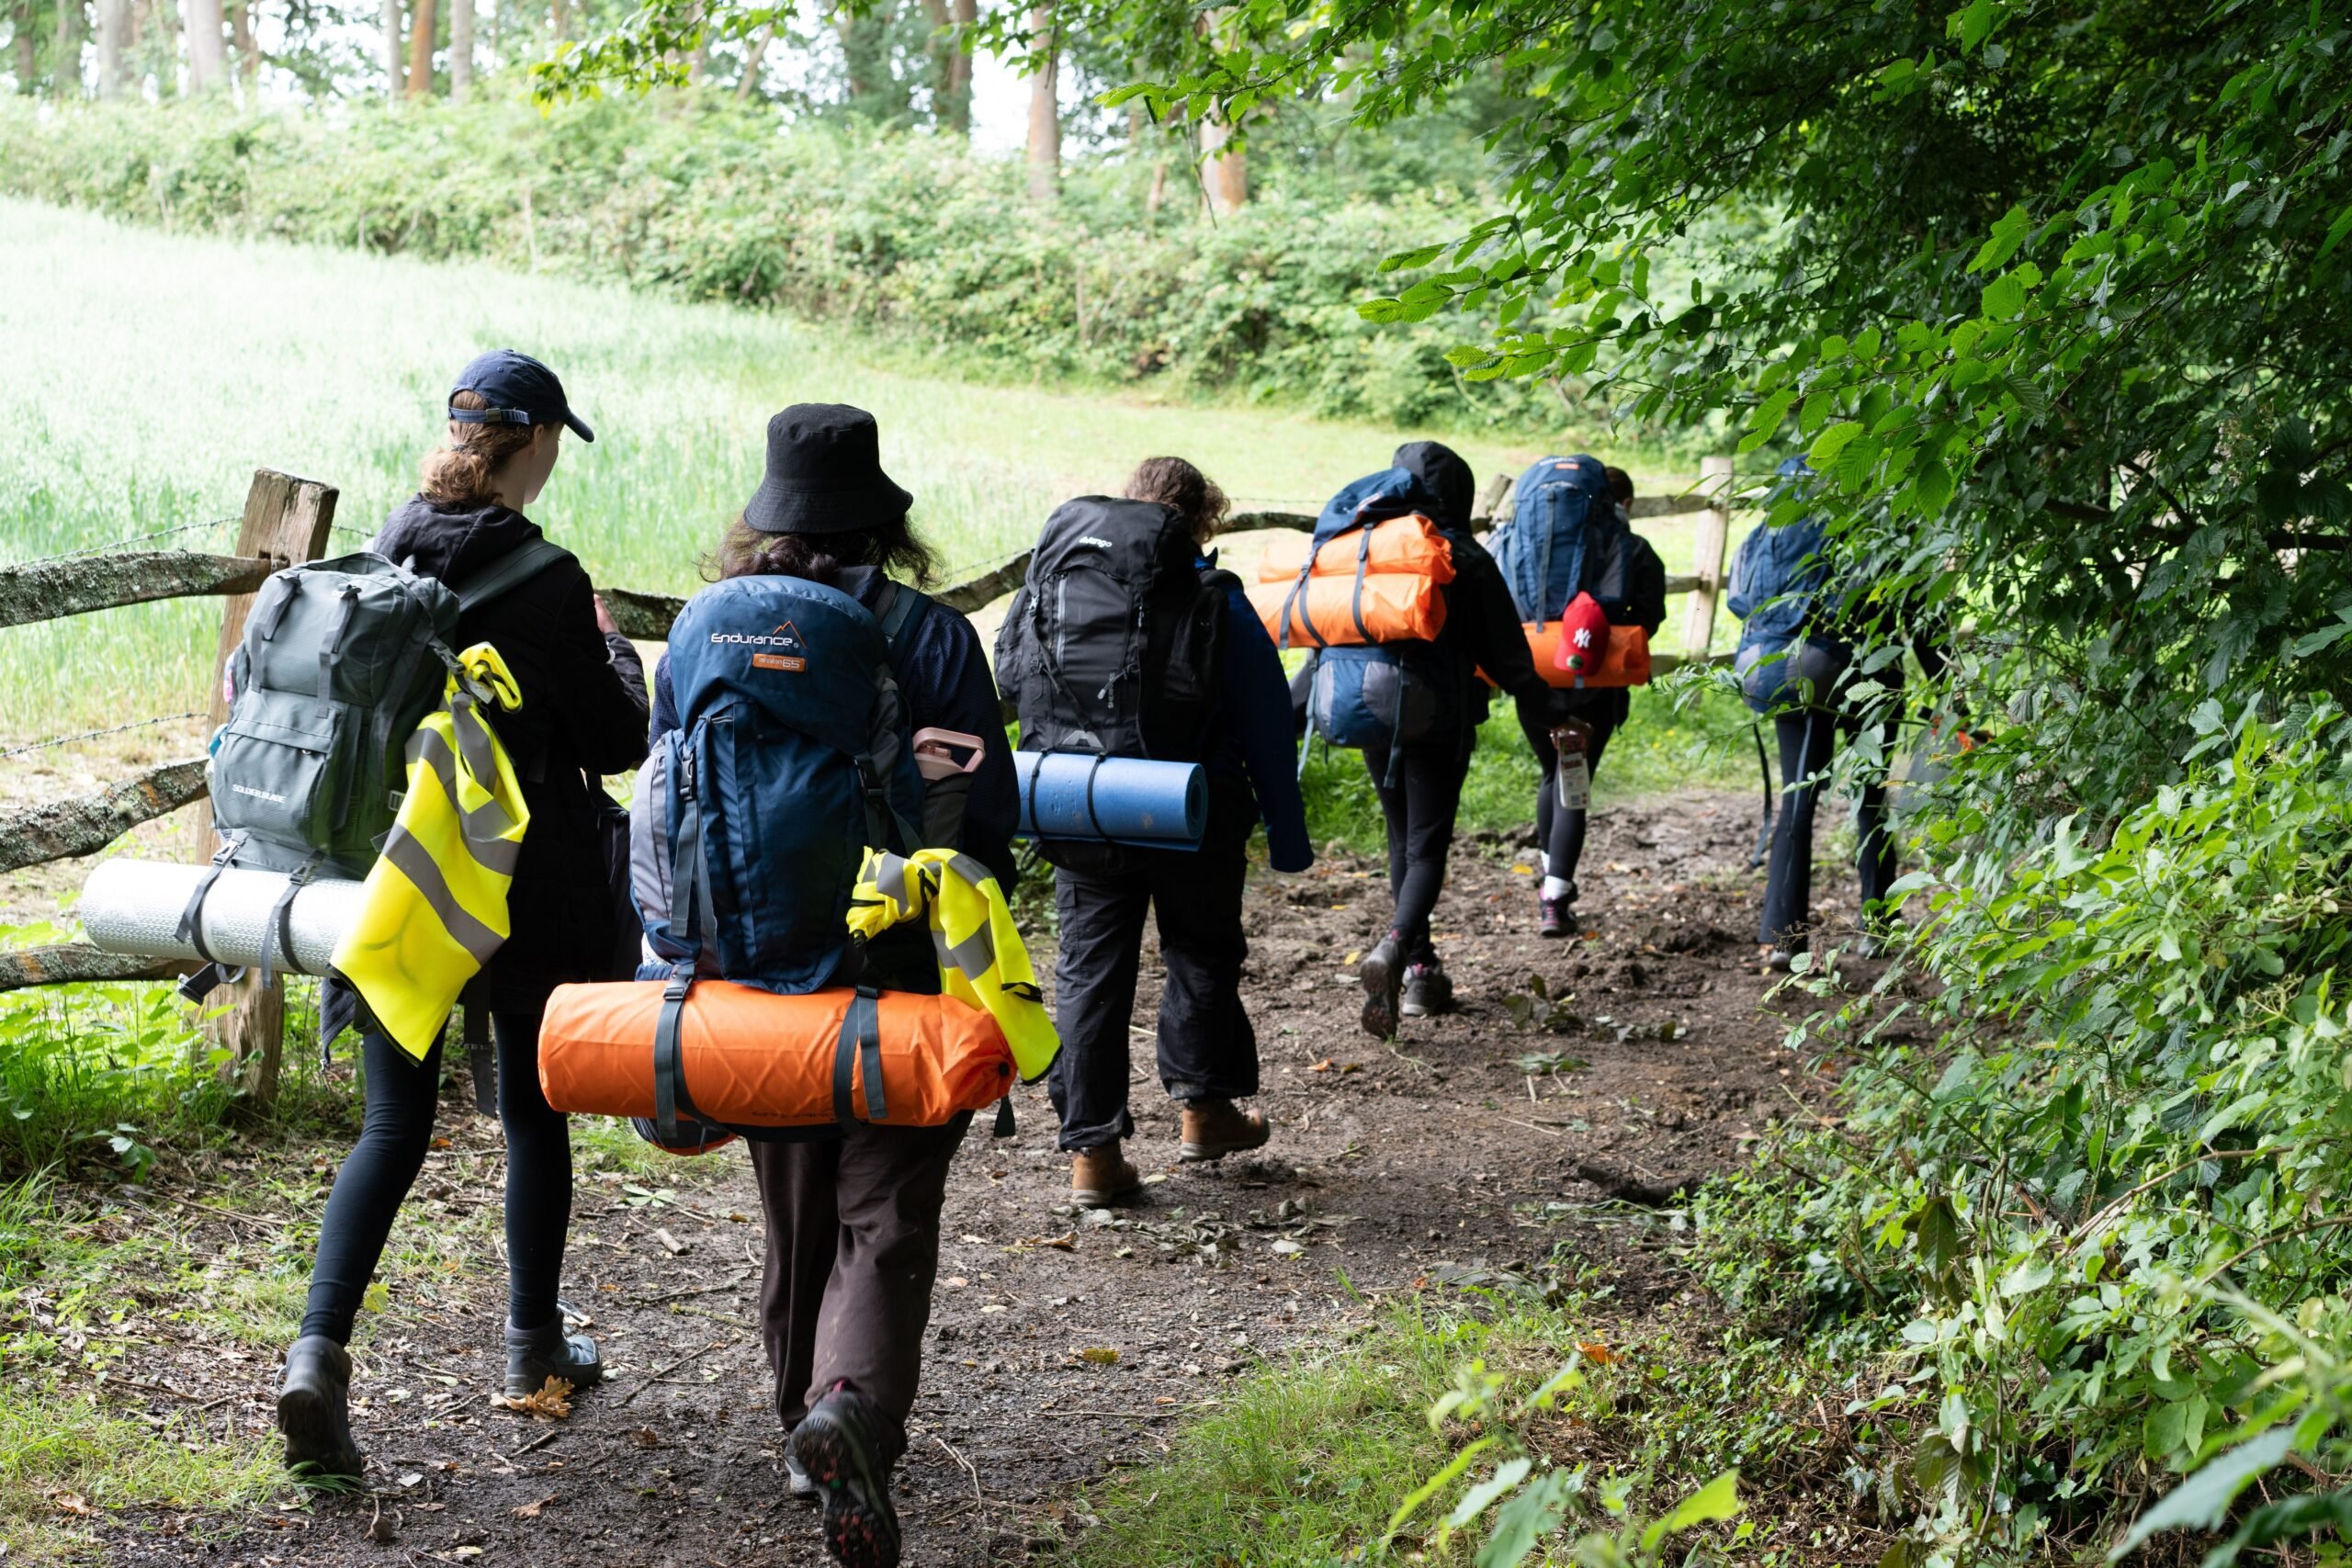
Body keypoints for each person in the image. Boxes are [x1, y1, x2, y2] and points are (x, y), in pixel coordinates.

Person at [644, 403, 1016, 1568]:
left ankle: (797, 1429)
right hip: (899, 979)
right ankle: (848, 1406)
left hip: (749, 978)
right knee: (886, 1215)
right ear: (882, 521)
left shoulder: (708, 629)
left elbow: (667, 801)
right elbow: (988, 826)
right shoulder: (933, 636)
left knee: (795, 1212)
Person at [277, 350, 650, 1479]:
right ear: (532, 442)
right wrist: (616, 650)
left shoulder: (389, 543)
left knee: (390, 1128)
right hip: (522, 883)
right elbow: (616, 742)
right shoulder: (546, 576)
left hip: (405, 883)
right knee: (534, 1116)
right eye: (549, 445)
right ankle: (532, 1348)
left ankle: (315, 1357)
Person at [1041, 457, 1312, 1208]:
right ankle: (1204, 1111)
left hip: (1085, 802)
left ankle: (1092, 1154)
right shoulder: (1214, 602)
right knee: (1200, 952)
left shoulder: (1069, 591)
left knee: (1090, 971)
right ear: (1202, 521)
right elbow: (1267, 730)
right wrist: (1288, 839)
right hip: (1193, 813)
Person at [1356, 441, 1559, 1036]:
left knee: (1400, 838)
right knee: (1425, 846)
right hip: (1438, 717)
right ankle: (1397, 951)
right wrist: (1551, 722)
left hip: (1370, 710)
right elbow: (1512, 661)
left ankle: (1420, 969)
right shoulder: (1463, 554)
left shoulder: (1371, 545)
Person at [1727, 457, 1898, 968]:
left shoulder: (1763, 535)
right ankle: (1878, 929)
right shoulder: (1865, 532)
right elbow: (1905, 610)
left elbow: (1741, 604)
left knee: (1797, 802)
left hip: (1782, 669)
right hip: (1864, 674)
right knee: (1870, 798)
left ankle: (1785, 939)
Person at [1510, 462, 1667, 937]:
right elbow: (1650, 618)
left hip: (1534, 676)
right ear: (1620, 504)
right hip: (1594, 685)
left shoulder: (1528, 543)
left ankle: (1549, 873)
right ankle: (1555, 897)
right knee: (1573, 780)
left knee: (1550, 773)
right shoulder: (1632, 548)